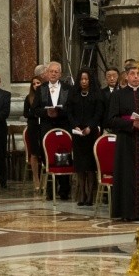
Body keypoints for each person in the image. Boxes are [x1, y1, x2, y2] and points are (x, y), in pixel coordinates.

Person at [108, 65, 139, 221]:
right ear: (126, 77)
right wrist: (130, 124)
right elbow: (111, 120)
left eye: (138, 74)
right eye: (132, 74)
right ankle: (127, 212)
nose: (135, 76)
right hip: (126, 141)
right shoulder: (118, 95)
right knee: (126, 174)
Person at [33, 61, 72, 200]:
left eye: (56, 71)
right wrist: (47, 113)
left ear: (60, 74)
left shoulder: (68, 88)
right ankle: (50, 190)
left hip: (63, 126)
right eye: (51, 71)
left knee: (64, 157)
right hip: (46, 126)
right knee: (47, 157)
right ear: (47, 73)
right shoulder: (41, 88)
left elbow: (72, 108)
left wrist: (59, 112)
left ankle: (64, 190)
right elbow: (35, 109)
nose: (54, 73)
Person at [66, 68, 104, 206]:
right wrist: (75, 125)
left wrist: (90, 127)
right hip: (77, 134)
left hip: (90, 133)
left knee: (90, 166)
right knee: (80, 166)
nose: (83, 81)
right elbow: (69, 112)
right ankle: (81, 193)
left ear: (90, 80)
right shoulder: (73, 93)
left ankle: (90, 196)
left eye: (86, 79)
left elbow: (98, 113)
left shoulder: (96, 94)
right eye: (81, 79)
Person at [23, 75, 43, 190]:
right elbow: (26, 113)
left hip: (43, 126)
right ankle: (36, 178)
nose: (36, 85)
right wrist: (35, 113)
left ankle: (45, 178)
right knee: (34, 152)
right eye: (34, 83)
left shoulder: (45, 96)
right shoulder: (28, 98)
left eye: (38, 83)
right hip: (33, 126)